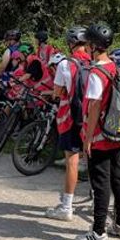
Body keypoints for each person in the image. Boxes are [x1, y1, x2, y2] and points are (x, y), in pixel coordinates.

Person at [76, 23, 120, 240]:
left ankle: (98, 232)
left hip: (100, 135)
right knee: (119, 179)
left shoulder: (96, 73)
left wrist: (88, 140)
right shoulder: (115, 68)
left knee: (100, 184)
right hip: (117, 132)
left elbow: (94, 108)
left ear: (92, 46)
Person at [45, 26, 91, 221]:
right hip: (94, 117)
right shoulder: (96, 62)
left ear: (71, 44)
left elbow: (57, 92)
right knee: (95, 161)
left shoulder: (65, 64)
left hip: (72, 116)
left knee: (71, 160)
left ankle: (66, 207)